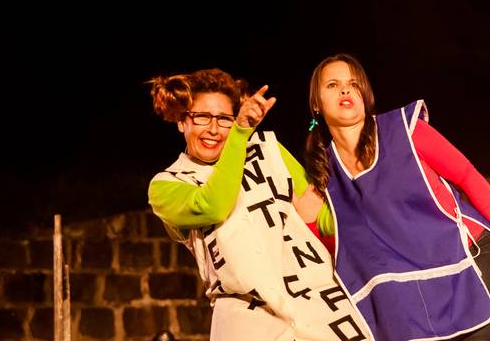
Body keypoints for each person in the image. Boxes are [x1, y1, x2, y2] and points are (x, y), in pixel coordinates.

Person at [300, 54, 490, 341]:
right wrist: (307, 222)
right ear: (316, 103)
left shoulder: (406, 131)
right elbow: (339, 249)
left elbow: (467, 176)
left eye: (353, 84)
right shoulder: (325, 174)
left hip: (473, 260)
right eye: (333, 84)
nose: (345, 90)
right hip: (417, 293)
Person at [147, 68, 370, 341]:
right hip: (246, 319)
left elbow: (320, 217)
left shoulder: (268, 149)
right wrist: (239, 134)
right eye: (202, 117)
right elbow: (214, 205)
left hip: (318, 303)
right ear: (182, 122)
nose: (214, 129)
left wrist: (368, 190)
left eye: (224, 119)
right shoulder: (167, 184)